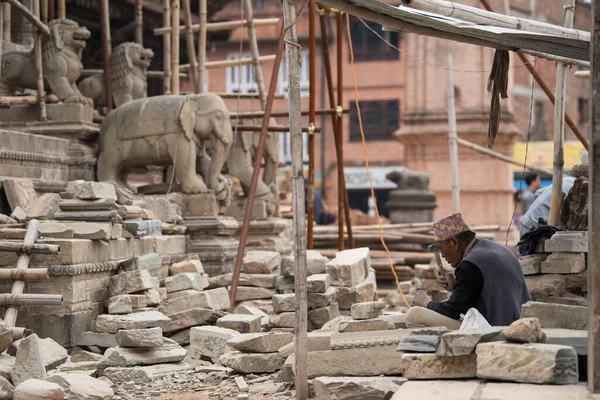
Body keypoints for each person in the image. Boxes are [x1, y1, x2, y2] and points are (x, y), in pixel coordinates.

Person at [405, 213, 531, 329]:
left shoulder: (469, 264)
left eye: (441, 249)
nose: (442, 255)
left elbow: (454, 311)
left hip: (495, 328)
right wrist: (455, 287)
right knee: (443, 304)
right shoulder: (497, 249)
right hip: (520, 321)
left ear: (455, 242)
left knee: (414, 314)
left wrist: (427, 303)